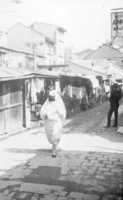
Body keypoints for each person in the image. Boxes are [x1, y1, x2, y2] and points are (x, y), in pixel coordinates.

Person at [40, 89, 66, 157]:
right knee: (50, 136)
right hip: (48, 122)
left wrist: (59, 114)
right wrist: (44, 114)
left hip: (56, 122)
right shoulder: (47, 103)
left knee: (55, 135)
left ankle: (53, 151)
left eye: (52, 97)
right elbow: (43, 110)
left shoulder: (59, 103)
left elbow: (62, 112)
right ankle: (55, 145)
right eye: (50, 97)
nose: (51, 98)